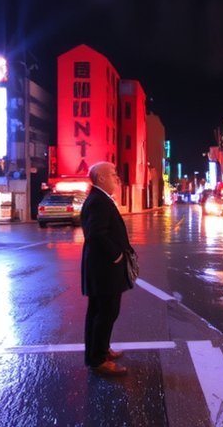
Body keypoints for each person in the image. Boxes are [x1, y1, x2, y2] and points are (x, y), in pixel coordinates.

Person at [81, 161, 135, 376]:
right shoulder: (98, 201)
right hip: (104, 269)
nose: (117, 178)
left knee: (101, 312)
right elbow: (96, 234)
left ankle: (101, 350)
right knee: (105, 312)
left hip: (102, 269)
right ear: (101, 178)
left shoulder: (100, 198)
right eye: (113, 174)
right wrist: (117, 254)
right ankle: (97, 360)